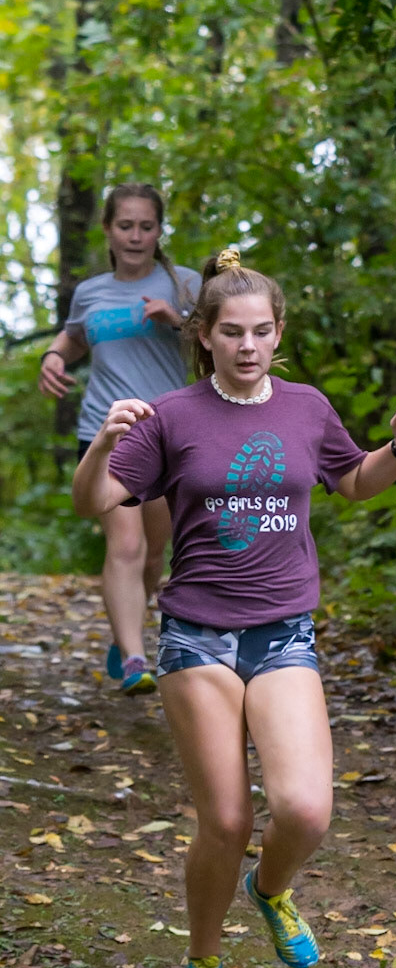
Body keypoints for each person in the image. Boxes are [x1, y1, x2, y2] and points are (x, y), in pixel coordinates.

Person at [71, 248, 396, 968]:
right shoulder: (173, 415)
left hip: (283, 634)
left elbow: (354, 481)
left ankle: (269, 888)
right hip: (197, 637)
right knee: (229, 819)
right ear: (204, 335)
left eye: (261, 331)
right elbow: (93, 501)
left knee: (305, 810)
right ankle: (204, 958)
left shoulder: (306, 407)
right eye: (232, 332)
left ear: (279, 333)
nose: (247, 346)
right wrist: (102, 441)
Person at [39, 184, 201, 693]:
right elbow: (74, 336)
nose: (135, 236)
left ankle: (124, 625)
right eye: (125, 225)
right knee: (126, 544)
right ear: (108, 230)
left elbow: (218, 345)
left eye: (146, 226)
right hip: (107, 431)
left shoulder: (186, 284)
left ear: (159, 231)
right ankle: (134, 659)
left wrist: (177, 321)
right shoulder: (91, 292)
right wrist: (53, 356)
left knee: (154, 553)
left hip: (169, 432)